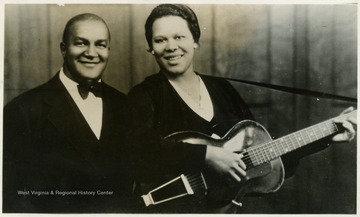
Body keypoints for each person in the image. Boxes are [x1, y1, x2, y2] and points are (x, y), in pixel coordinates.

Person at [124, 4, 357, 214]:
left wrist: (327, 134)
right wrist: (208, 156)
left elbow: (260, 157)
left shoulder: (221, 89)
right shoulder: (145, 95)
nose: (171, 47)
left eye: (179, 37)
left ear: (195, 41)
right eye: (160, 40)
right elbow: (136, 148)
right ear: (151, 48)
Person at [3, 13, 136, 213]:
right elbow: (13, 197)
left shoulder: (125, 105)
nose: (91, 53)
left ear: (108, 50)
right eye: (81, 43)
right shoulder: (23, 110)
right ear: (64, 49)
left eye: (100, 44)